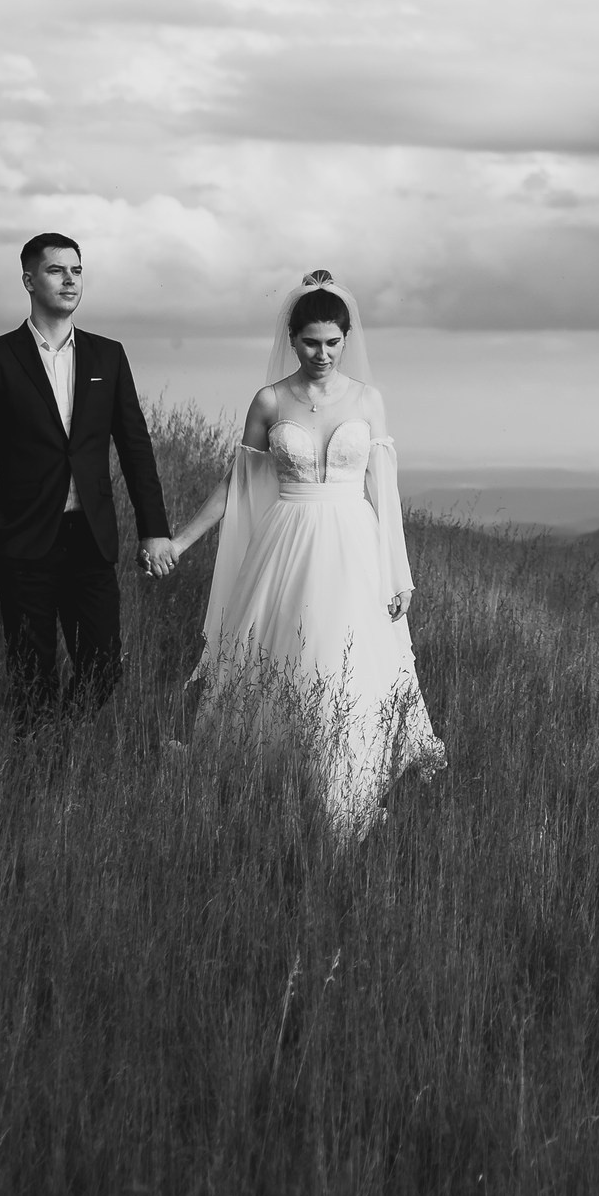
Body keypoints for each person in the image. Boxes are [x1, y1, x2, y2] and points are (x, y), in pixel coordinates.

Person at [161, 270, 445, 833]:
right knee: (287, 653)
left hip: (354, 544)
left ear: (346, 340)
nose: (323, 353)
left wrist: (398, 572)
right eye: (311, 342)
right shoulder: (269, 400)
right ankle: (274, 777)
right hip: (286, 541)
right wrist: (182, 540)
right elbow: (237, 484)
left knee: (347, 656)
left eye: (333, 343)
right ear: (292, 339)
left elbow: (384, 490)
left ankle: (347, 783)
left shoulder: (367, 400)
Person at [0, 233, 174, 727]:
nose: (70, 280)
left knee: (102, 667)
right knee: (33, 675)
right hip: (22, 539)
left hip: (89, 539)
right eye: (56, 270)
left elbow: (135, 449)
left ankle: (59, 742)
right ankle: (38, 781)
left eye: (76, 270)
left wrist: (153, 529)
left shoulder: (107, 356)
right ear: (30, 281)